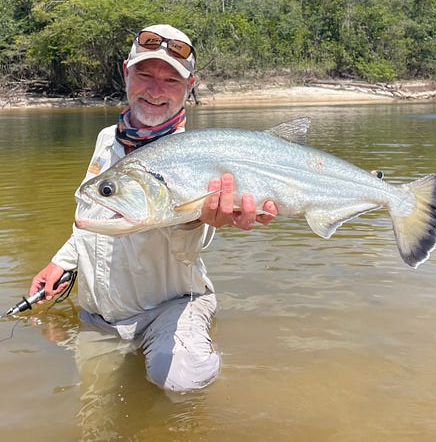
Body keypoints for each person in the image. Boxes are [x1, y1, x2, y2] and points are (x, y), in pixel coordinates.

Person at [29, 24, 277, 394]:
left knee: (180, 382)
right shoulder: (105, 140)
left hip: (171, 306)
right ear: (126, 72)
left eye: (171, 81)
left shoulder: (199, 154)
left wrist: (196, 221)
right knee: (92, 402)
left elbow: (192, 246)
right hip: (101, 315)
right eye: (145, 74)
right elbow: (95, 211)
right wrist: (62, 261)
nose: (156, 90)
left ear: (190, 86)